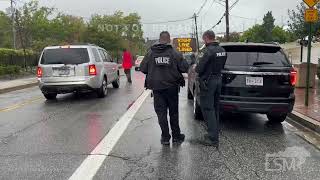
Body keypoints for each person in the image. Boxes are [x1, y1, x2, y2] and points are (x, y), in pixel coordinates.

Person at [140, 31, 189, 145]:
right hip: (172, 87)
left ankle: (165, 137)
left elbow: (143, 68)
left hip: (157, 88)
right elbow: (184, 67)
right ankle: (176, 136)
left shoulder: (150, 52)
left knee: (161, 113)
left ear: (159, 39)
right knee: (173, 113)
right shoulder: (174, 52)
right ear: (169, 39)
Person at [195, 30, 227, 147]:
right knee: (215, 107)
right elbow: (222, 65)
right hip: (218, 79)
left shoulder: (208, 51)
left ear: (206, 38)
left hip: (209, 82)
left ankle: (212, 138)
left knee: (208, 109)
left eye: (204, 39)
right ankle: (214, 132)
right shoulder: (222, 50)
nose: (204, 41)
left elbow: (199, 69)